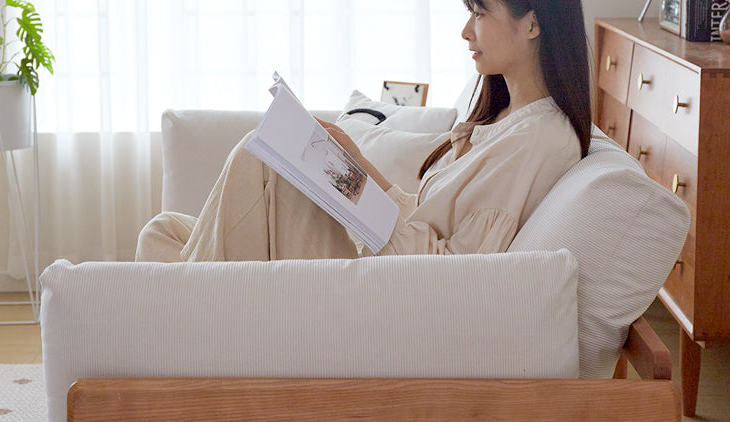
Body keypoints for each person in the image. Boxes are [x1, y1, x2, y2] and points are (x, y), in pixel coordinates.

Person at [136, 0, 591, 263]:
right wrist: (356, 162)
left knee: (257, 156)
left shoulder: (538, 141)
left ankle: (188, 341)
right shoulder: (506, 120)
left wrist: (350, 192)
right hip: (381, 256)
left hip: (382, 289)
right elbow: (427, 216)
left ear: (532, 21)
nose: (465, 31)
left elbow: (453, 273)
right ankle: (189, 320)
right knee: (162, 234)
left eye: (479, 13)